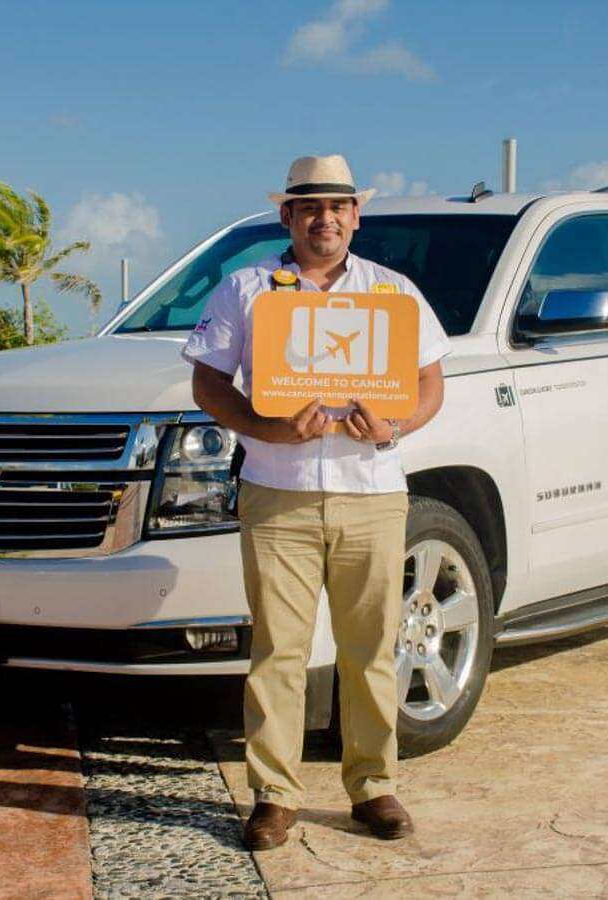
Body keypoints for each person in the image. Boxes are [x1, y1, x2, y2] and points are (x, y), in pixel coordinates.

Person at [180, 154, 450, 849]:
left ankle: (374, 786)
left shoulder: (393, 293)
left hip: (372, 495)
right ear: (287, 216)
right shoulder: (246, 289)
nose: (325, 219)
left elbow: (429, 385)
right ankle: (274, 795)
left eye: (338, 207)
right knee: (278, 651)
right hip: (279, 495)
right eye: (310, 207)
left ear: (356, 216)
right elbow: (209, 385)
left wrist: (395, 425)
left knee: (371, 649)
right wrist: (267, 426)